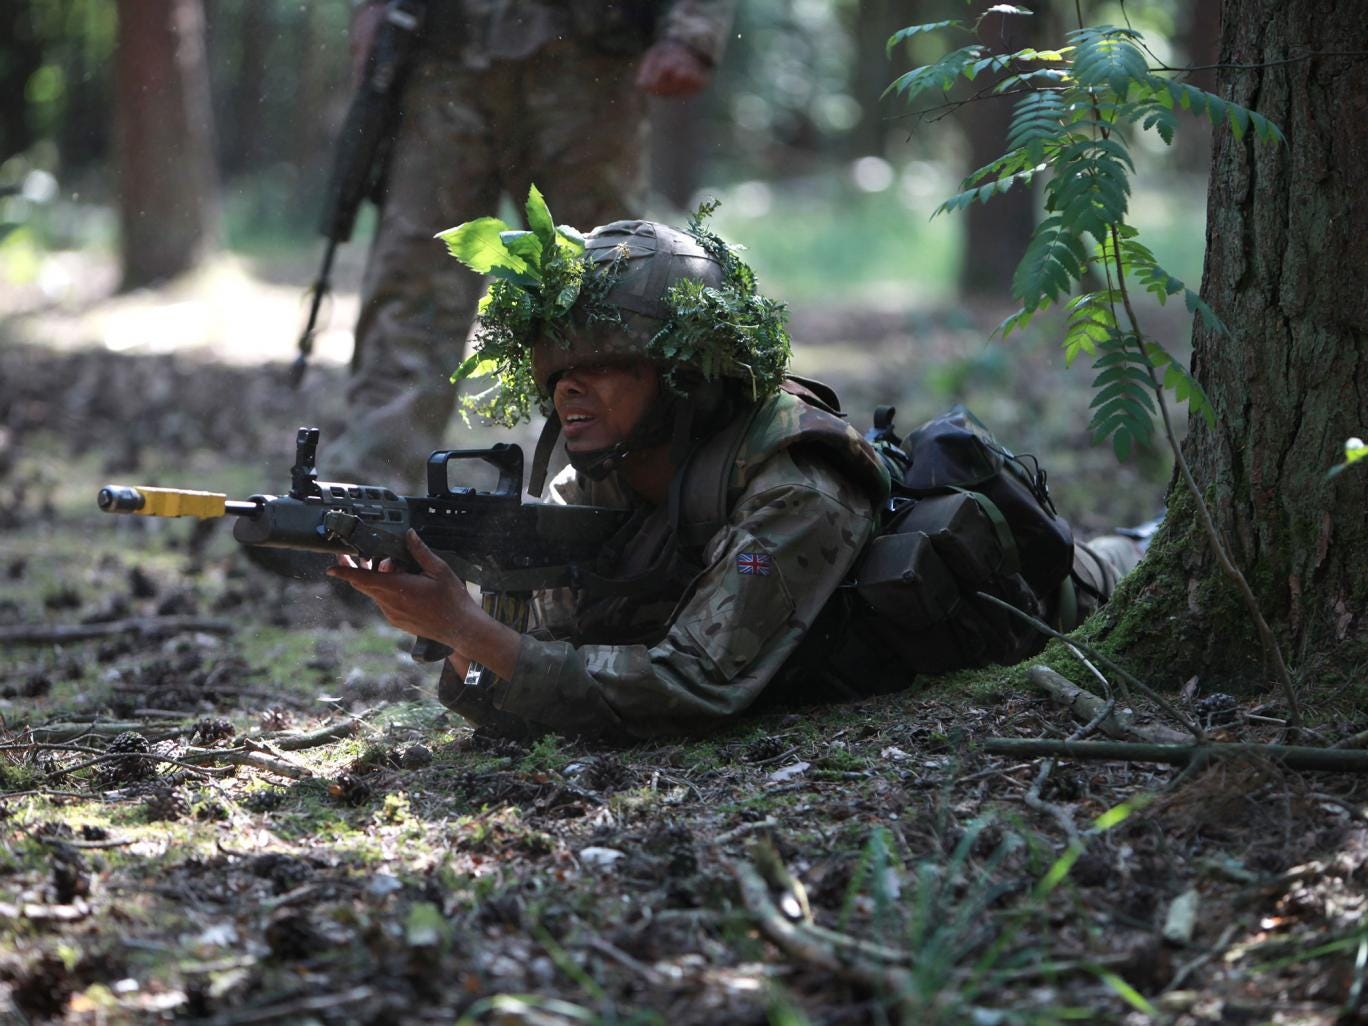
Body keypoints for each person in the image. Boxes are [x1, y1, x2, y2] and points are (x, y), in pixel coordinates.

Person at [326, 206, 1144, 739]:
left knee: (1145, 547)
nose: (569, 387)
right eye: (554, 369)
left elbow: (693, 689)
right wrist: (460, 611)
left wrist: (471, 631)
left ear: (685, 372)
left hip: (1081, 596)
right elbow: (544, 680)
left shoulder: (799, 480)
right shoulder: (601, 481)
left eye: (605, 363)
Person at [326, 0, 737, 486]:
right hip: (442, 55)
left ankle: (606, 495)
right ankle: (372, 496)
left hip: (587, 62)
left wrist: (692, 30)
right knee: (414, 280)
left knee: (604, 285)